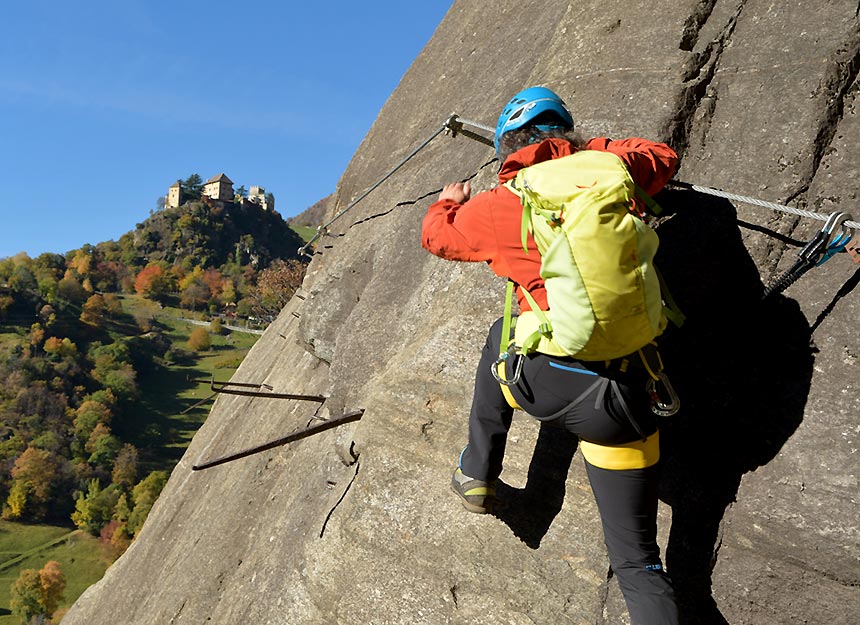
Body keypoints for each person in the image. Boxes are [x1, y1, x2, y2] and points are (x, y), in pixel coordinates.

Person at [421, 86, 680, 625]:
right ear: (565, 133)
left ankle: (477, 471)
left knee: (501, 333)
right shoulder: (612, 170)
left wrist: (450, 199)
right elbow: (664, 156)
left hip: (544, 384)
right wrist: (598, 148)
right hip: (625, 402)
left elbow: (437, 238)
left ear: (507, 150)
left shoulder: (499, 203)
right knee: (638, 563)